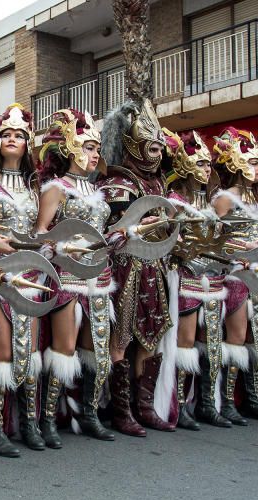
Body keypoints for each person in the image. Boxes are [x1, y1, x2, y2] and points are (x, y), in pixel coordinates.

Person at [35, 108, 116, 446]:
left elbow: (101, 233)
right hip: (67, 277)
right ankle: (50, 419)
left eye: (97, 148)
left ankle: (90, 414)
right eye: (88, 147)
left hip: (99, 277)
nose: (94, 154)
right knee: (64, 349)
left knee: (95, 349)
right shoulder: (57, 188)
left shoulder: (98, 191)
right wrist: (66, 248)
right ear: (70, 148)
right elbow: (40, 234)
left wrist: (115, 238)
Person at [0, 103, 46, 451]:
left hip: (30, 276)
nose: (13, 139)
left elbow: (41, 231)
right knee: (1, 353)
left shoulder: (34, 187)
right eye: (7, 134)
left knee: (28, 351)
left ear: (28, 144)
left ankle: (30, 423)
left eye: (19, 135)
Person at [97, 99, 174, 436]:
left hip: (155, 269)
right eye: (150, 146)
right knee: (121, 338)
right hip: (125, 270)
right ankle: (121, 411)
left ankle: (145, 407)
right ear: (132, 146)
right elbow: (112, 231)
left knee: (151, 337)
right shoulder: (118, 184)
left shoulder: (160, 185)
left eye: (160, 147)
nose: (156, 154)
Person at [211, 127, 258, 424]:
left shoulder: (255, 200)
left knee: (256, 337)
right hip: (236, 276)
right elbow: (213, 241)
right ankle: (224, 402)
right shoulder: (224, 198)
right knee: (235, 338)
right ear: (235, 163)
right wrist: (243, 247)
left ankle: (252, 398)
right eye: (252, 162)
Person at [160, 128, 222, 431]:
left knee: (210, 344)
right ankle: (179, 404)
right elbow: (166, 240)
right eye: (199, 163)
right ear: (184, 166)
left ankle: (206, 403)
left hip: (212, 280)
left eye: (208, 164)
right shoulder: (174, 201)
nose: (206, 169)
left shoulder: (210, 204)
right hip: (184, 276)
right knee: (184, 345)